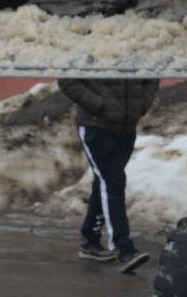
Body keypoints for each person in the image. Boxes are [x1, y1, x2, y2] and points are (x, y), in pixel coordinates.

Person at [57, 77, 161, 273]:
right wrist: (100, 105)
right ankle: (123, 247)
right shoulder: (96, 46)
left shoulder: (138, 46)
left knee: (105, 180)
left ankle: (90, 240)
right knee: (113, 181)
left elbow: (152, 75)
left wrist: (141, 104)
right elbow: (67, 80)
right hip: (96, 125)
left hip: (127, 127)